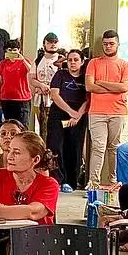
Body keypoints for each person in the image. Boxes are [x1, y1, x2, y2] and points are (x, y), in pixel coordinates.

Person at [0, 131, 62, 227]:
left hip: (37, 239)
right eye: (9, 151)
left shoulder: (49, 184)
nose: (9, 157)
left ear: (35, 160)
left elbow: (32, 212)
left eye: (16, 153)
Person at [47, 47, 88, 191]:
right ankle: (57, 179)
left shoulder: (85, 77)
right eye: (70, 60)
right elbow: (55, 95)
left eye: (76, 60)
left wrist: (78, 115)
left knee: (74, 148)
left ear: (82, 62)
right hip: (59, 113)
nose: (72, 63)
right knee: (55, 146)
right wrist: (70, 112)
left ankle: (71, 181)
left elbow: (88, 98)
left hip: (78, 116)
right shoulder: (60, 74)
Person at [0, 38, 35, 127]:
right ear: (6, 50)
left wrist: (22, 59)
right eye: (9, 50)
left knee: (23, 126)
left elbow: (31, 71)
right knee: (10, 125)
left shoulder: (25, 61)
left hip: (22, 99)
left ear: (19, 50)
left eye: (14, 50)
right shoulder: (3, 63)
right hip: (6, 99)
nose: (12, 52)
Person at [33, 33, 63, 138]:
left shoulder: (62, 60)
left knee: (57, 127)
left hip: (58, 99)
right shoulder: (38, 60)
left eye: (55, 42)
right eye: (50, 42)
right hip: (41, 98)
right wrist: (41, 85)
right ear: (44, 44)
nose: (52, 44)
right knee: (43, 126)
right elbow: (31, 79)